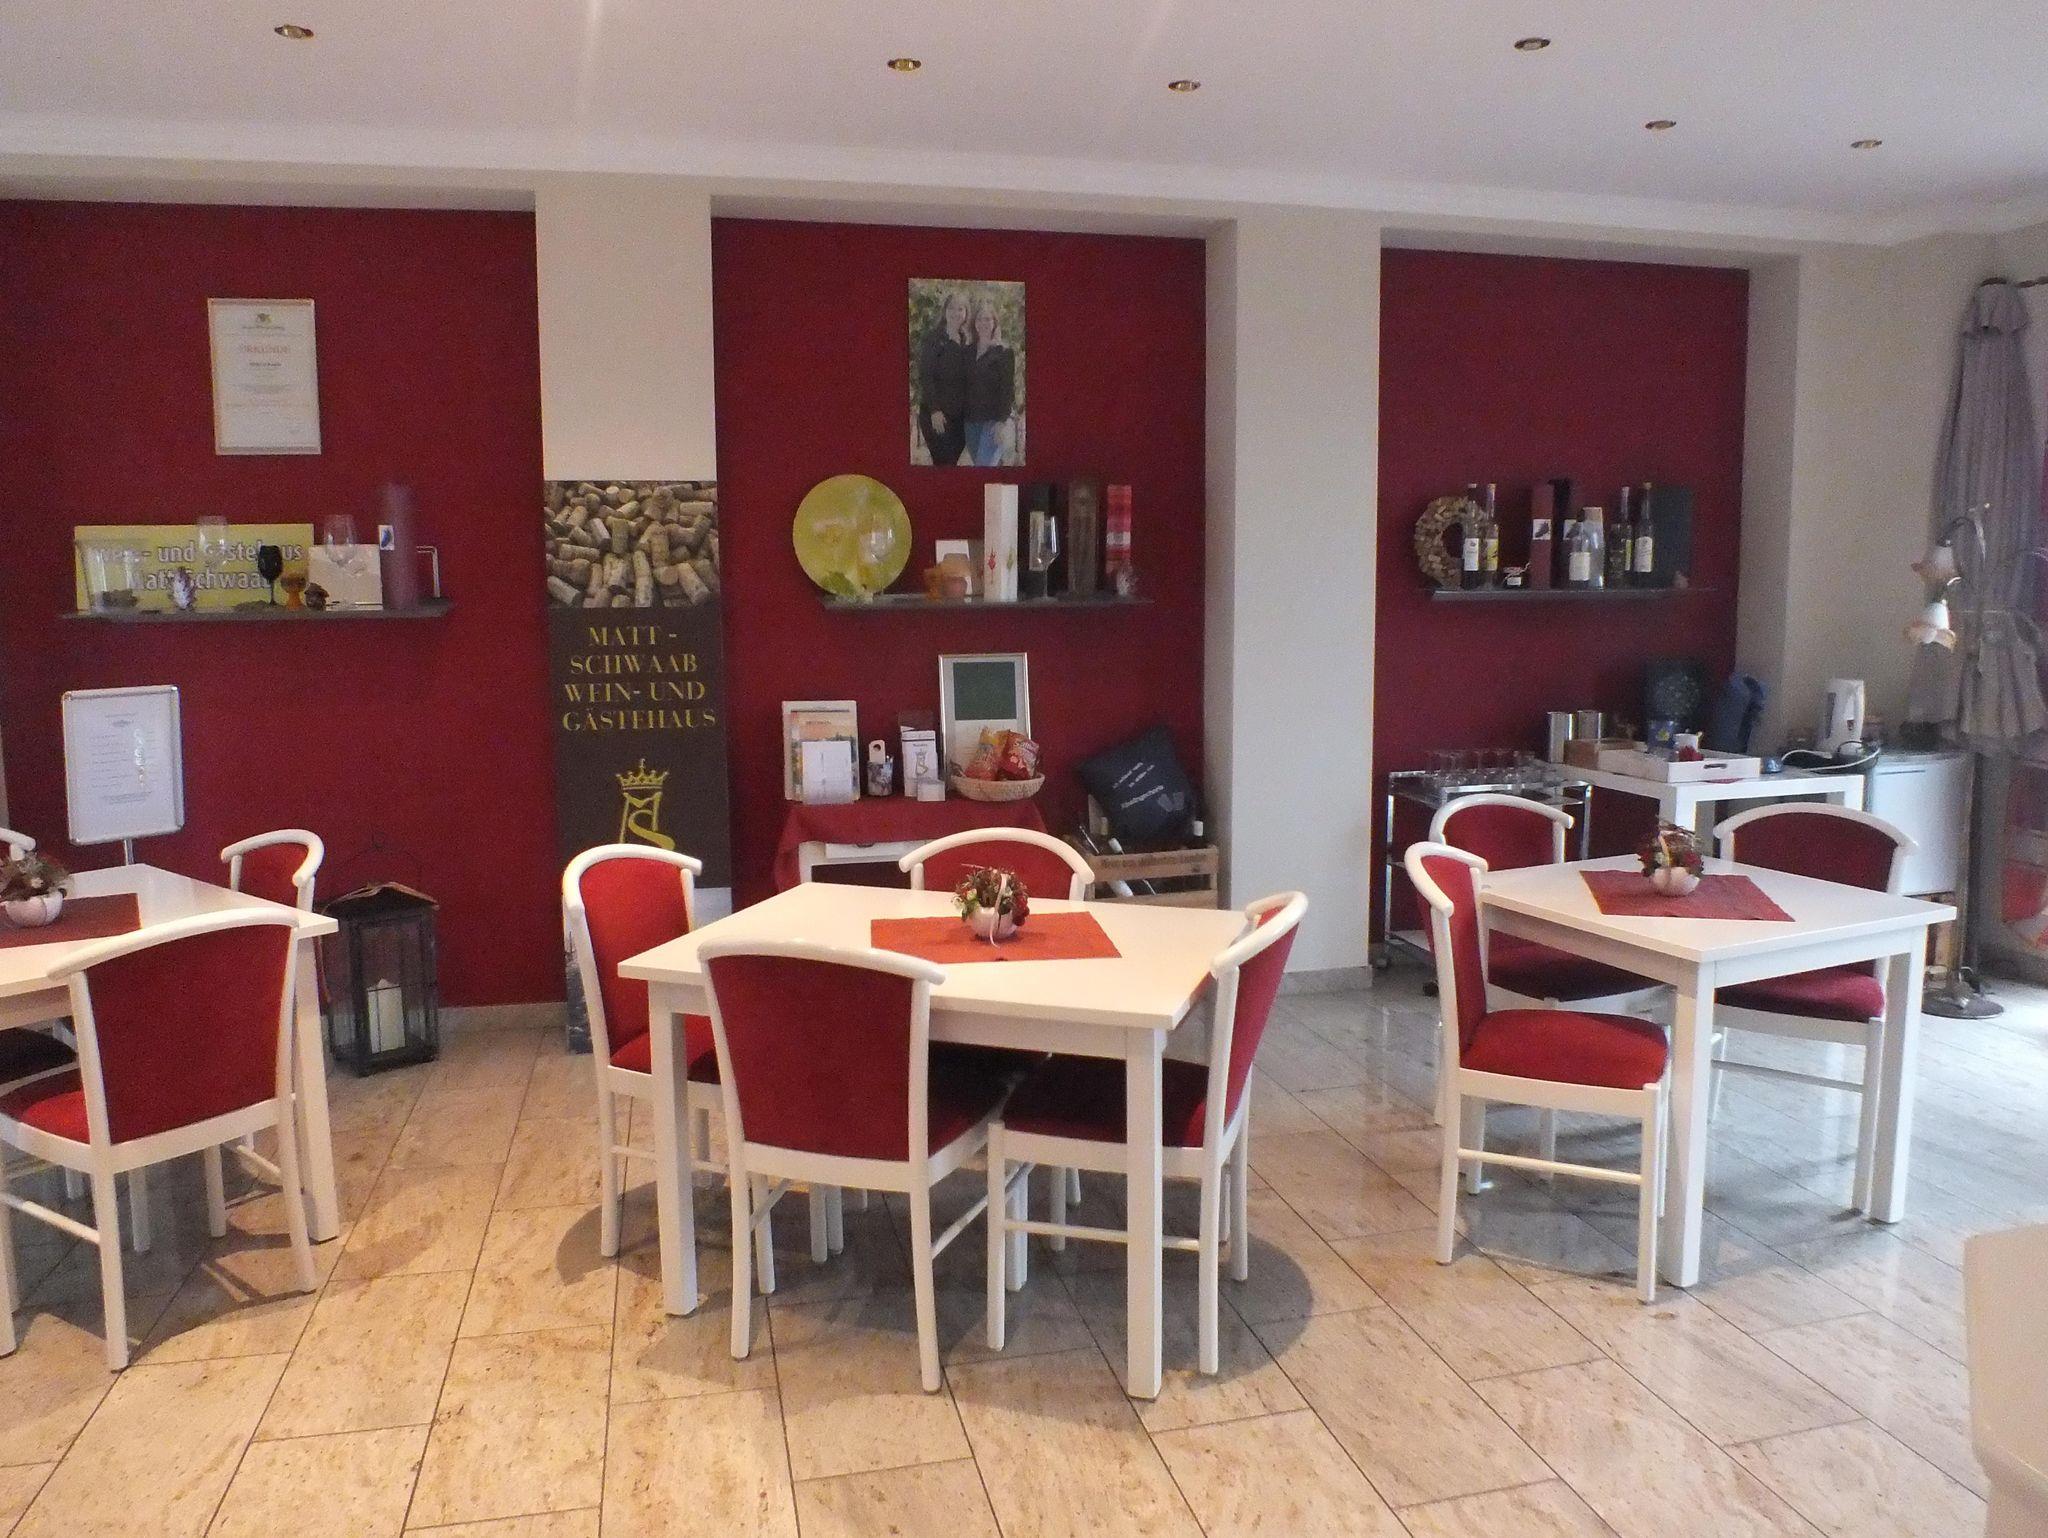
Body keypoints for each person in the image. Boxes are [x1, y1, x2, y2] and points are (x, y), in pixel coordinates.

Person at [915, 290, 971, 466]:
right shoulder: (934, 339)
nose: (956, 313)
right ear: (945, 311)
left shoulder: (966, 340)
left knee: (951, 466)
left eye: (960, 309)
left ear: (966, 313)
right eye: (951, 308)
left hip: (960, 420)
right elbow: (926, 375)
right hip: (937, 417)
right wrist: (935, 410)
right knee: (944, 465)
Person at [964, 295, 1016, 466]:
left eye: (987, 319)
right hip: (970, 423)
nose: (983, 323)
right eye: (979, 319)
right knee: (984, 469)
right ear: (974, 323)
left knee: (984, 467)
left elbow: (1007, 389)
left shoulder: (1003, 352)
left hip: (993, 422)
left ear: (994, 322)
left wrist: (1001, 422)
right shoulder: (967, 352)